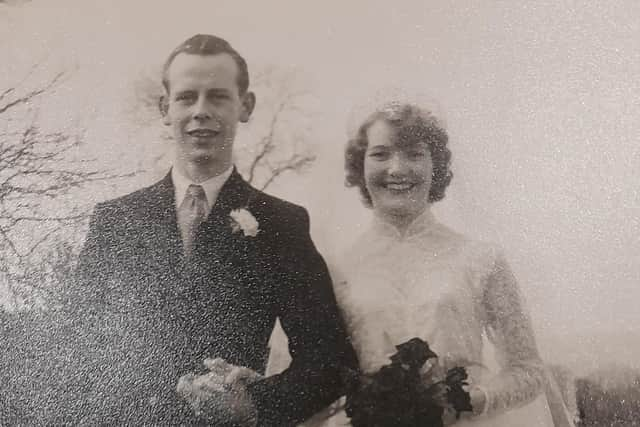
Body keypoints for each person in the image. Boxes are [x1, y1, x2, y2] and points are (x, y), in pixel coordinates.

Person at [59, 34, 357, 426]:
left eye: (218, 96)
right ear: (165, 108)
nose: (201, 111)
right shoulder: (116, 220)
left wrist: (255, 403)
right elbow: (71, 350)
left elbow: (331, 362)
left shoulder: (281, 223)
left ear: (245, 106)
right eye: (187, 97)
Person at [318, 95, 576, 426]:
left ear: (435, 165)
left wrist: (470, 401)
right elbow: (318, 375)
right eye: (380, 154)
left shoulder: (481, 258)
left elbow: (528, 369)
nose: (397, 169)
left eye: (414, 154)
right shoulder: (335, 266)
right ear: (360, 164)